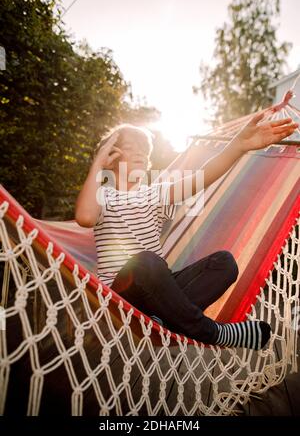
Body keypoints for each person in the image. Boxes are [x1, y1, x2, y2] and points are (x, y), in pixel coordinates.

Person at [75, 112, 298, 350]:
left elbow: (201, 178)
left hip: (159, 294)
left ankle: (167, 318)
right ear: (110, 157)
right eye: (131, 147)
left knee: (224, 263)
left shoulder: (155, 193)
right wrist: (98, 163)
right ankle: (213, 332)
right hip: (123, 296)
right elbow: (85, 217)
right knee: (146, 262)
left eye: (145, 150)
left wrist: (239, 146)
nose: (140, 152)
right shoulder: (103, 195)